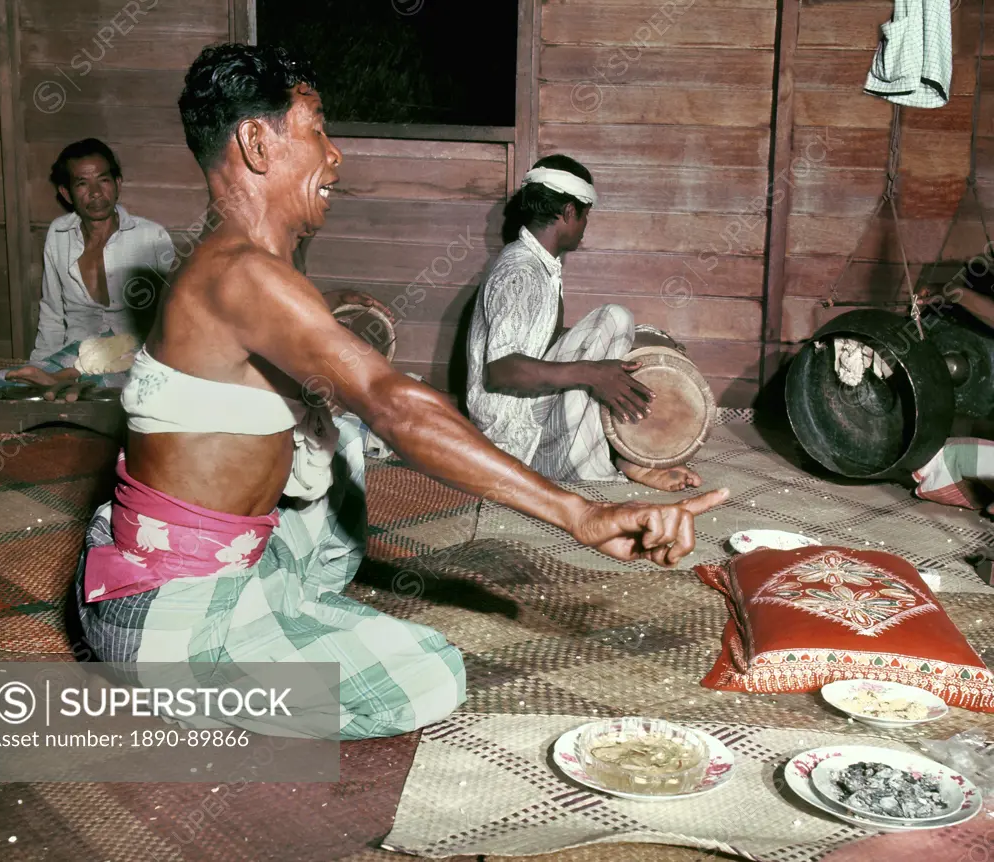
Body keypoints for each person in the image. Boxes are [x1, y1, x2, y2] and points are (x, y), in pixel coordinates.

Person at [72, 43, 729, 741]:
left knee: (342, 445)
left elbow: (372, 399)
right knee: (429, 672)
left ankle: (281, 617)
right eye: (317, 127)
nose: (334, 156)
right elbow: (393, 402)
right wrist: (580, 514)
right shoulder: (241, 274)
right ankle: (194, 674)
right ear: (258, 143)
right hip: (165, 617)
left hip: (203, 557)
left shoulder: (241, 266)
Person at [466, 155, 702, 493]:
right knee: (613, 318)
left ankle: (619, 454)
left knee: (617, 333)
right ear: (569, 212)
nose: (586, 226)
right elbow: (501, 370)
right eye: (586, 216)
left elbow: (541, 345)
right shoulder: (520, 271)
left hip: (529, 423)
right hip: (513, 444)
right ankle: (608, 461)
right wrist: (592, 372)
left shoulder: (539, 264)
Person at [0, 139, 175, 419]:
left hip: (132, 355)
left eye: (103, 180)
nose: (95, 193)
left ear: (117, 183)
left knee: (122, 392)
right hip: (76, 351)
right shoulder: (58, 235)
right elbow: (53, 312)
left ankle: (67, 385)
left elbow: (171, 317)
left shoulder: (151, 236)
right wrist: (40, 366)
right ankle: (57, 382)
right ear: (67, 193)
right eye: (82, 184)